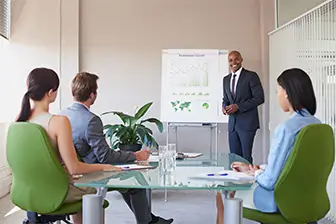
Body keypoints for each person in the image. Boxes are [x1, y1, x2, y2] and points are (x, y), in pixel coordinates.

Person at [60, 72, 174, 224]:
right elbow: (105, 157)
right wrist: (136, 156)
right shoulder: (91, 120)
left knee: (128, 182)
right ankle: (147, 222)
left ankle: (150, 220)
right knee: (136, 181)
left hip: (73, 172)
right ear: (92, 95)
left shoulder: (62, 115)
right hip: (94, 171)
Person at [16, 68, 121, 224]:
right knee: (94, 193)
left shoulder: (19, 122)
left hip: (25, 192)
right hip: (55, 193)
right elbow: (75, 168)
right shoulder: (59, 121)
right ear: (51, 92)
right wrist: (105, 167)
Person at [216, 68, 321, 224]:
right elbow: (293, 167)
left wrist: (257, 174)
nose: (277, 96)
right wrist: (257, 168)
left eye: (277, 91)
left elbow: (270, 181)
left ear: (287, 93)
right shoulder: (316, 125)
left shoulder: (286, 129)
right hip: (310, 199)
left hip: (280, 201)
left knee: (224, 191)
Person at [222, 50, 265, 163]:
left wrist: (238, 106)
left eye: (236, 59)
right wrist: (224, 107)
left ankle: (248, 181)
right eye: (230, 60)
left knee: (245, 158)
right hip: (232, 125)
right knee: (234, 158)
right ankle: (234, 181)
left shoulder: (251, 76)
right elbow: (226, 99)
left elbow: (259, 98)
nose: (233, 62)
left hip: (247, 124)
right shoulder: (226, 79)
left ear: (241, 60)